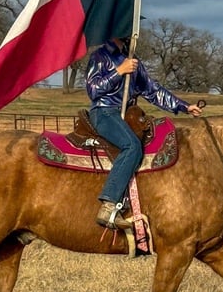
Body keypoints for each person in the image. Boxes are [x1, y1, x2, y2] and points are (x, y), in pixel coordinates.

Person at [86, 36, 203, 230]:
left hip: (127, 114)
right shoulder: (100, 56)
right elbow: (93, 90)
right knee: (131, 146)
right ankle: (108, 206)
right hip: (104, 112)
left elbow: (153, 90)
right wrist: (119, 71)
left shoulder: (132, 60)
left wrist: (184, 106)